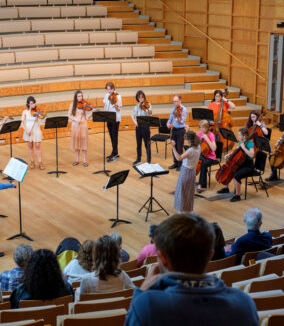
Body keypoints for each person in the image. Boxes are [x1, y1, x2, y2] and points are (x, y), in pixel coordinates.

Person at [124, 214, 259, 326]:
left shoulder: (147, 305)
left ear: (163, 258)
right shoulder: (244, 303)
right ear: (210, 255)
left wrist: (140, 293)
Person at [10, 249, 74, 308]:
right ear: (56, 268)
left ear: (31, 269)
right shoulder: (67, 288)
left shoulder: (20, 291)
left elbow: (13, 310)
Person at [76, 236, 134, 300]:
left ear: (95, 256)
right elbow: (134, 293)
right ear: (116, 256)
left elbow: (81, 303)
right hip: (117, 309)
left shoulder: (86, 280)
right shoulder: (123, 276)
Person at [217, 127, 255, 202]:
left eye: (239, 135)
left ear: (244, 136)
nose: (238, 136)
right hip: (241, 163)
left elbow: (251, 155)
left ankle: (237, 196)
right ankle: (226, 188)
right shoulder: (241, 142)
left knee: (236, 175)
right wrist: (229, 154)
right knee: (230, 170)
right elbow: (236, 151)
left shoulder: (250, 143)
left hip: (248, 165)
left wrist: (244, 148)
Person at [171, 131, 201, 213]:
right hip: (192, 172)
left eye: (187, 139)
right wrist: (188, 129)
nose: (186, 141)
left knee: (181, 192)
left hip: (186, 171)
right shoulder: (198, 146)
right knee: (189, 192)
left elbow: (179, 158)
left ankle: (180, 213)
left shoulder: (190, 150)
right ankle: (189, 212)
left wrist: (173, 147)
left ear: (190, 140)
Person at [68, 90, 94, 167]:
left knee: (84, 142)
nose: (80, 97)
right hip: (75, 125)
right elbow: (69, 115)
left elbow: (87, 116)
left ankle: (85, 160)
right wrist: (76, 119)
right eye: (79, 96)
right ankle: (77, 159)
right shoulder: (72, 105)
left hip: (83, 125)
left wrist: (92, 112)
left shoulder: (84, 104)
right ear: (76, 97)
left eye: (81, 96)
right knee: (76, 142)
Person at [21, 96, 45, 170]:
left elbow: (43, 120)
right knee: (30, 146)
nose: (33, 105)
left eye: (33, 103)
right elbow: (22, 122)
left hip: (36, 129)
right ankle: (32, 162)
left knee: (38, 146)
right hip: (28, 130)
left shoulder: (37, 111)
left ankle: (40, 162)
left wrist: (40, 115)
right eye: (31, 103)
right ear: (28, 104)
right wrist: (26, 130)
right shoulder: (25, 112)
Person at [167, 95, 188, 171]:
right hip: (174, 130)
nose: (175, 103)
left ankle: (180, 164)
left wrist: (178, 120)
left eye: (176, 101)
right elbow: (170, 118)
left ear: (180, 101)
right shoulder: (174, 109)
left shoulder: (184, 110)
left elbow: (182, 121)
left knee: (179, 147)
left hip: (181, 130)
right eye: (174, 101)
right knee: (173, 146)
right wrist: (168, 123)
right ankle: (175, 163)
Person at [132, 90, 153, 165]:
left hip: (145, 127)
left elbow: (150, 115)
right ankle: (138, 159)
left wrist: (148, 112)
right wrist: (136, 123)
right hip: (138, 127)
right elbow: (133, 116)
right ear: (137, 98)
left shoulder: (148, 105)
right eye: (139, 97)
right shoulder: (137, 106)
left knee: (147, 144)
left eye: (142, 97)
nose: (141, 99)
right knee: (138, 144)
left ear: (144, 97)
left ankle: (148, 160)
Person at [103, 82, 122, 162]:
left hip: (115, 119)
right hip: (108, 118)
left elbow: (119, 109)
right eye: (107, 89)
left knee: (115, 136)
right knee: (111, 136)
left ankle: (114, 153)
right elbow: (105, 105)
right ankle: (115, 152)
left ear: (113, 89)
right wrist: (104, 114)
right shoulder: (107, 95)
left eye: (110, 89)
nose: (109, 91)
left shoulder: (118, 96)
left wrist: (115, 106)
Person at [196, 120, 217, 193]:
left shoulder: (211, 135)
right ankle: (201, 182)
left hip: (210, 157)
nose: (202, 129)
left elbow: (214, 148)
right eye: (201, 127)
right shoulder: (199, 134)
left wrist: (207, 139)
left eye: (203, 128)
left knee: (203, 163)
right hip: (201, 155)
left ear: (207, 127)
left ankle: (200, 184)